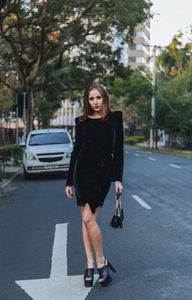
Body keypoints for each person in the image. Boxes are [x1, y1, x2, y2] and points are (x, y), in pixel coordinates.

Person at [65, 82, 124, 287]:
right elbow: (76, 151)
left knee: (89, 219)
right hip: (82, 172)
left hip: (101, 173)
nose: (95, 102)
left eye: (98, 97)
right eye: (91, 98)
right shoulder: (81, 122)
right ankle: (90, 264)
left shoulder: (114, 119)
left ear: (104, 98)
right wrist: (69, 181)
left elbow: (119, 151)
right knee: (85, 219)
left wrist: (118, 178)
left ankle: (100, 261)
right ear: (87, 100)